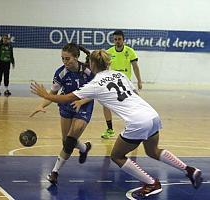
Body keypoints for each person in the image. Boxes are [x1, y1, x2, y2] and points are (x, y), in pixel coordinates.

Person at [31, 49, 203, 198]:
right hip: (151, 114)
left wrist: (46, 95)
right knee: (153, 151)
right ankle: (189, 170)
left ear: (92, 64)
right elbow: (134, 93)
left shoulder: (95, 84)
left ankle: (151, 183)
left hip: (137, 121)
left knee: (117, 156)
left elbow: (67, 97)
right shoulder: (119, 74)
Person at [30, 43, 93, 185]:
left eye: (68, 59)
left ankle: (54, 172)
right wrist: (40, 105)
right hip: (66, 105)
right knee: (66, 141)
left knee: (70, 141)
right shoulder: (61, 73)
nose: (65, 62)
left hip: (84, 106)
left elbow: (96, 92)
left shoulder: (88, 71)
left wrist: (82, 102)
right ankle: (84, 148)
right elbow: (52, 94)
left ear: (76, 57)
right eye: (63, 59)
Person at [101, 30, 142, 139]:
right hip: (112, 82)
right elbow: (104, 68)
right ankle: (110, 130)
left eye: (119, 39)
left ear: (123, 40)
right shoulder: (109, 52)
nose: (117, 41)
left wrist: (139, 80)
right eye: (115, 39)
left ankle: (135, 127)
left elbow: (135, 67)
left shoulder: (130, 51)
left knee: (136, 103)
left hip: (126, 83)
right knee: (105, 104)